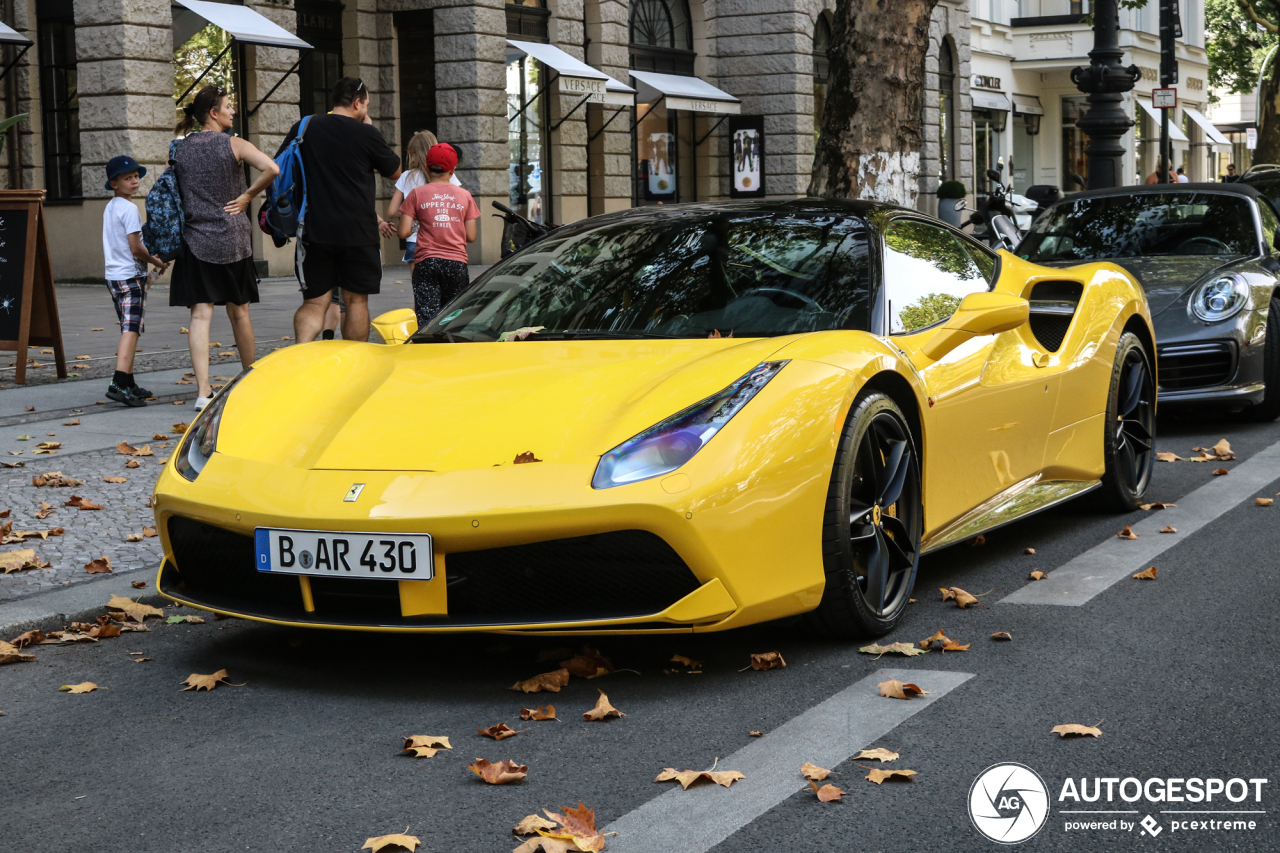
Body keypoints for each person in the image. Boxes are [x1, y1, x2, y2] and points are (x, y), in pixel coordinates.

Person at [169, 85, 279, 413]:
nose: (233, 111)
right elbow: (272, 169)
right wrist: (246, 197)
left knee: (200, 315)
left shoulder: (178, 149)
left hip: (195, 241)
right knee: (239, 312)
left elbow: (170, 190)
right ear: (213, 113)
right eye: (228, 106)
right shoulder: (235, 144)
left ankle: (203, 391)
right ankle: (249, 378)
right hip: (233, 241)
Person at [277, 77, 401, 343]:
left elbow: (278, 165)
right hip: (358, 231)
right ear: (357, 103)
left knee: (313, 302)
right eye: (366, 104)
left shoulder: (305, 126)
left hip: (314, 228)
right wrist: (370, 128)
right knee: (356, 301)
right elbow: (396, 172)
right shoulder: (366, 133)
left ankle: (302, 356)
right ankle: (353, 362)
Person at [102, 155, 168, 407]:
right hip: (130, 276)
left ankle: (128, 382)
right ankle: (118, 383)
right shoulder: (129, 209)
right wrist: (156, 261)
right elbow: (135, 247)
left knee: (129, 326)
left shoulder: (111, 207)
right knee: (131, 329)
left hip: (114, 276)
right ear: (114, 183)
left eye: (136, 176)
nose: (134, 181)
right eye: (127, 178)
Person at [398, 143, 478, 328]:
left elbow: (403, 231)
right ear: (453, 170)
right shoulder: (465, 195)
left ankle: (428, 351)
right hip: (456, 263)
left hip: (426, 262)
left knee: (427, 318)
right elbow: (471, 236)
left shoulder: (417, 194)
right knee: (453, 317)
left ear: (427, 167)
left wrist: (421, 225)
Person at [386, 130, 462, 278]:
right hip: (445, 240)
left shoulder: (406, 177)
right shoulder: (449, 175)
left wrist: (412, 213)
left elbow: (391, 212)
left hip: (415, 241)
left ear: (413, 153)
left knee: (421, 295)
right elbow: (458, 203)